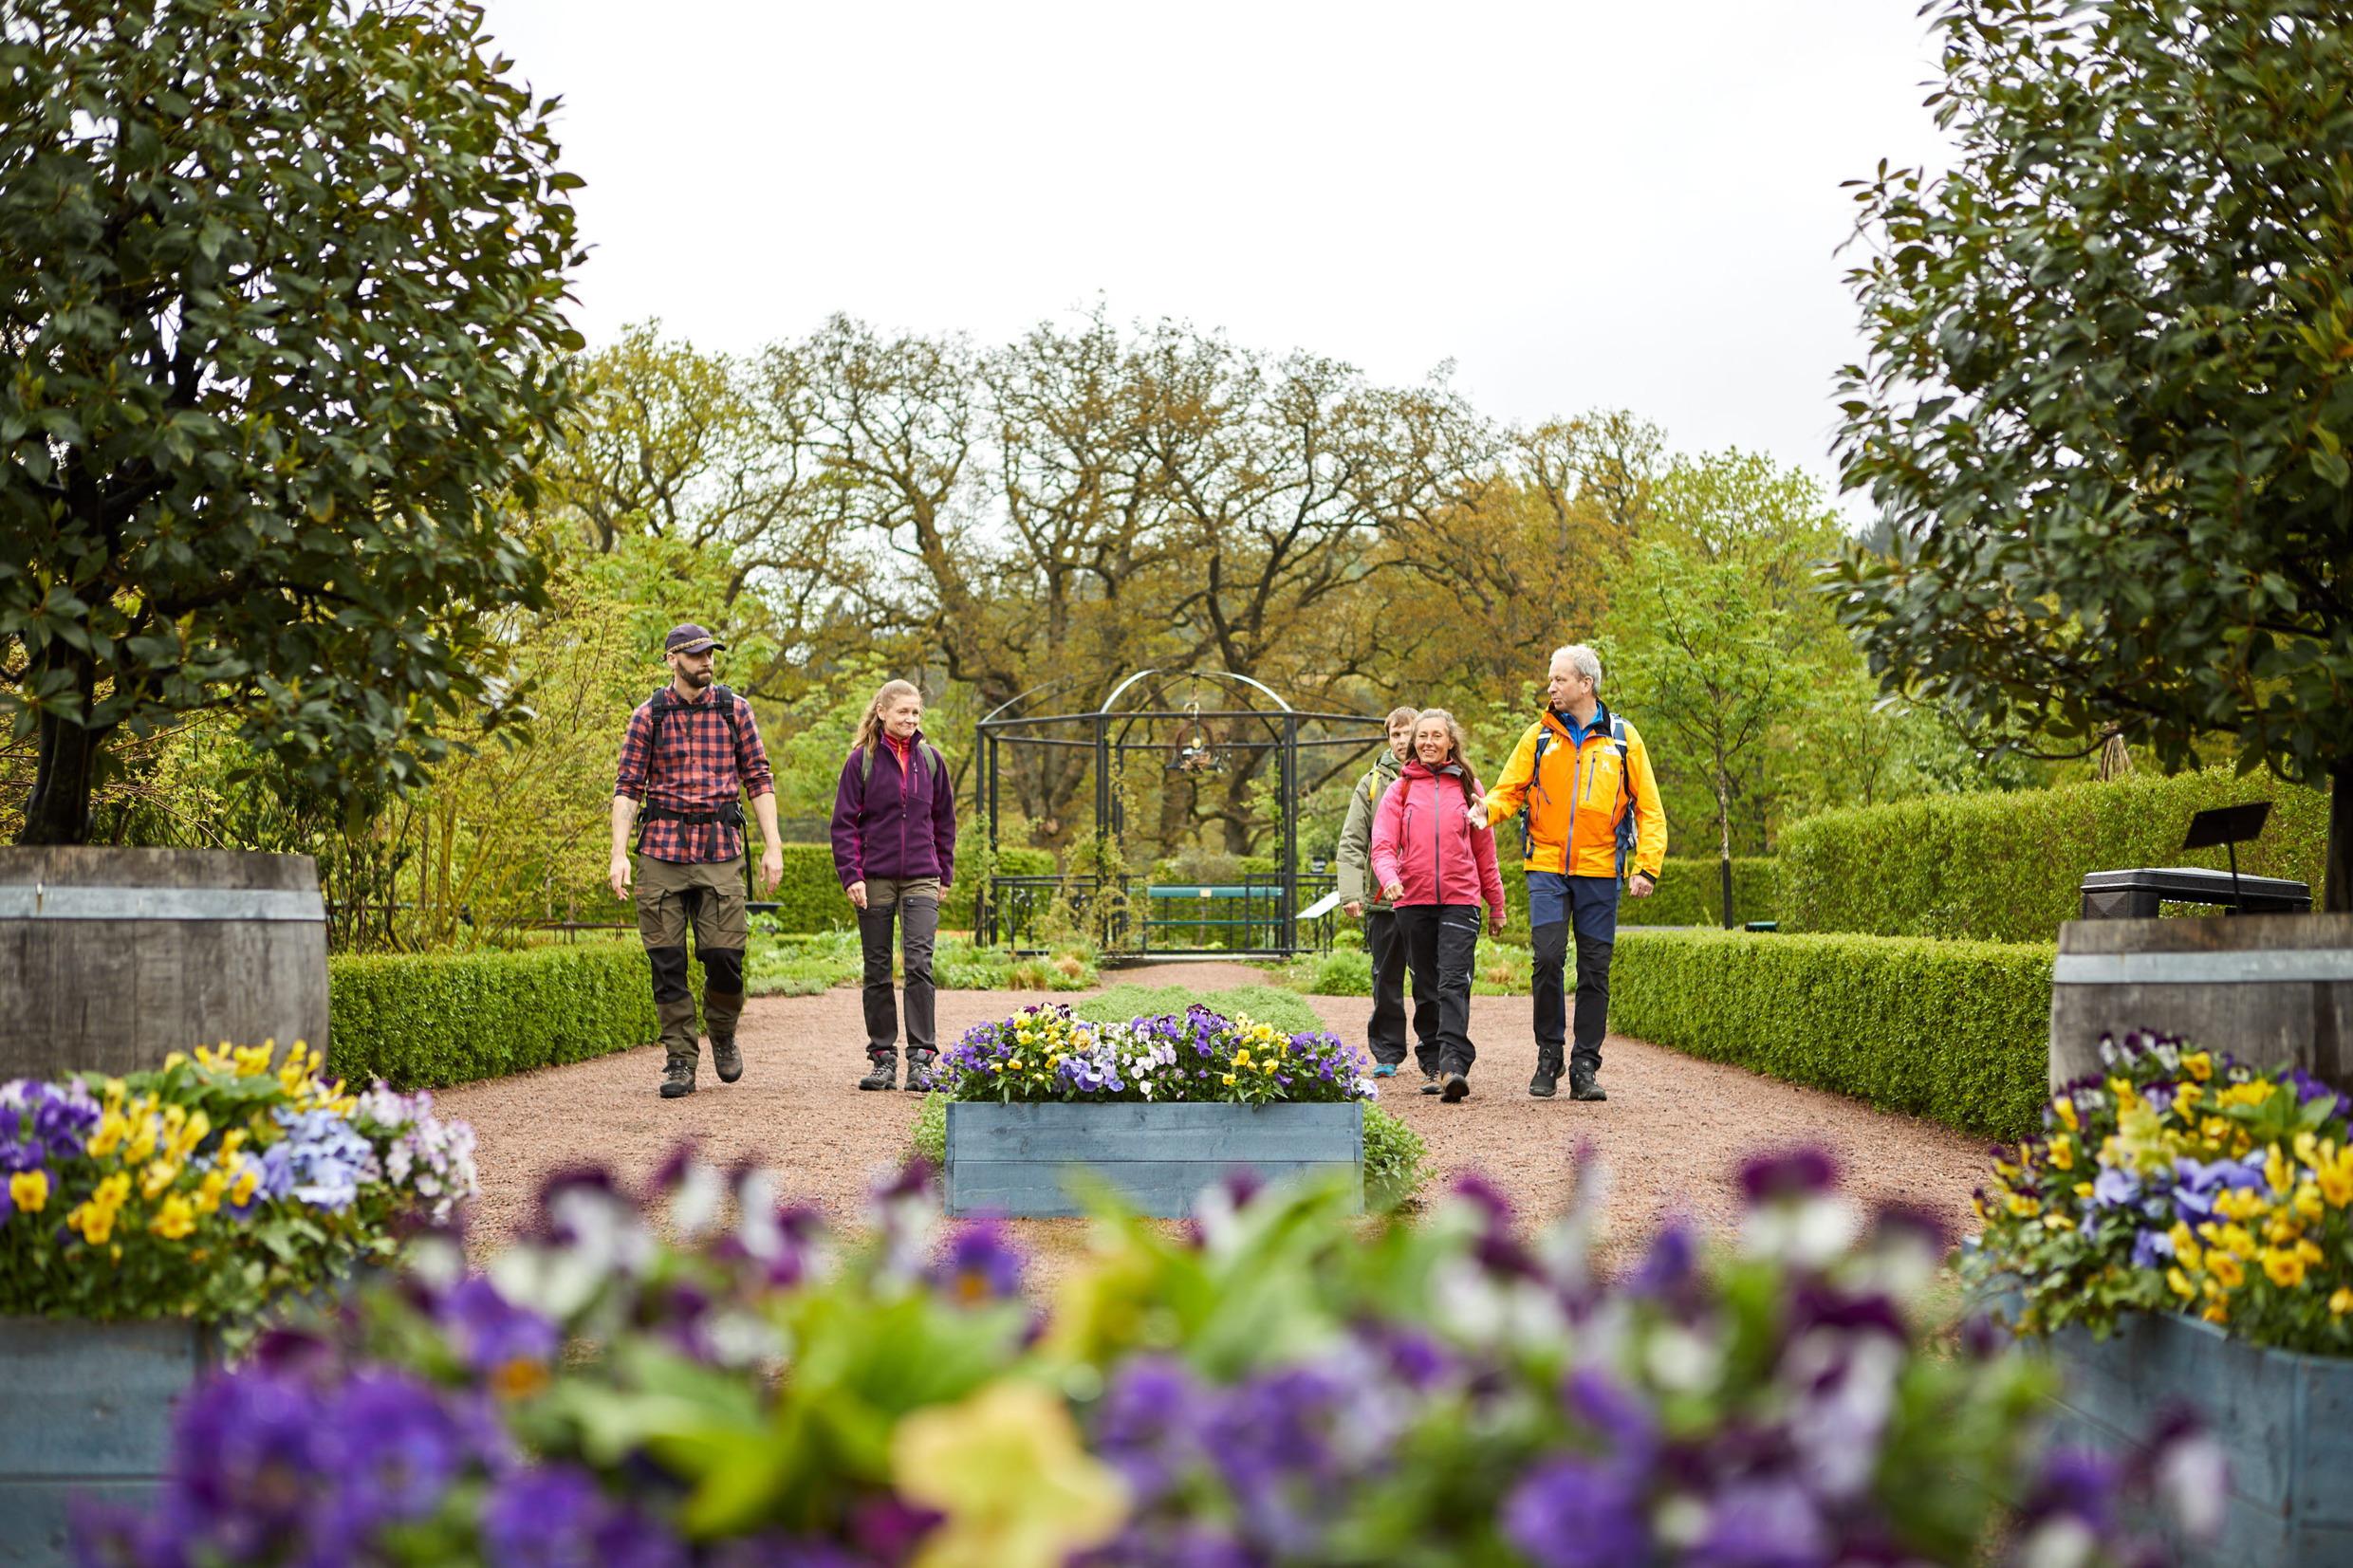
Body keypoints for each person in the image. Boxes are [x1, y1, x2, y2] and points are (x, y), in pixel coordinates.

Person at [1473, 643, 1666, 1102]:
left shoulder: (1623, 739)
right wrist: (1488, 812)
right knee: (1547, 959)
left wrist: (1647, 867)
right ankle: (1548, 1055)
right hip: (1546, 867)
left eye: (1559, 679)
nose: (1551, 686)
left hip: (1601, 871)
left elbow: (1650, 810)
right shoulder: (1539, 737)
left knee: (1595, 970)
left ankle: (1585, 1066)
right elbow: (1508, 791)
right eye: (1551, 679)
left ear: (1586, 683)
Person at [609, 623, 784, 1100]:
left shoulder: (734, 710)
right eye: (695, 654)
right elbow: (627, 788)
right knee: (667, 963)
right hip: (661, 851)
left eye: (710, 654)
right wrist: (618, 854)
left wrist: (773, 845)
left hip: (720, 850)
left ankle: (722, 1031)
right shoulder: (649, 716)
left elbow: (760, 779)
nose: (706, 661)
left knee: (725, 958)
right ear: (672, 660)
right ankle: (680, 1059)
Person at [1369, 709, 1507, 1103]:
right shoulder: (1399, 790)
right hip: (1412, 900)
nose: (1429, 742)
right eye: (1421, 736)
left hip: (1461, 899)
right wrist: (1390, 878)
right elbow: (1381, 845)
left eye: (1436, 736)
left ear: (1450, 742)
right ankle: (1431, 1060)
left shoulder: (1468, 787)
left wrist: (1495, 904)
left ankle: (1453, 1065)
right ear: (1413, 743)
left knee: (1453, 981)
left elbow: (1486, 851)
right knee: (1426, 985)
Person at [831, 678, 957, 1092]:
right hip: (875, 878)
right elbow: (843, 824)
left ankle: (922, 1059)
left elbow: (944, 823)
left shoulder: (931, 760)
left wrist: (945, 874)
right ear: (882, 712)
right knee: (878, 968)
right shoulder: (860, 762)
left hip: (922, 874)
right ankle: (882, 1057)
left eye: (916, 712)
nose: (910, 718)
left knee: (920, 964)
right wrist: (852, 875)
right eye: (903, 711)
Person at [1335, 707, 1439, 1087]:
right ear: (1388, 738)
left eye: (1407, 734)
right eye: (1394, 735)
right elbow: (1351, 842)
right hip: (1383, 899)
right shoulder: (1371, 784)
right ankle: (1388, 1052)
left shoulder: (1435, 778)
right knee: (1386, 979)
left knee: (1429, 978)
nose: (1401, 741)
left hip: (1426, 895)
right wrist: (1350, 891)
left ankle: (1433, 1054)